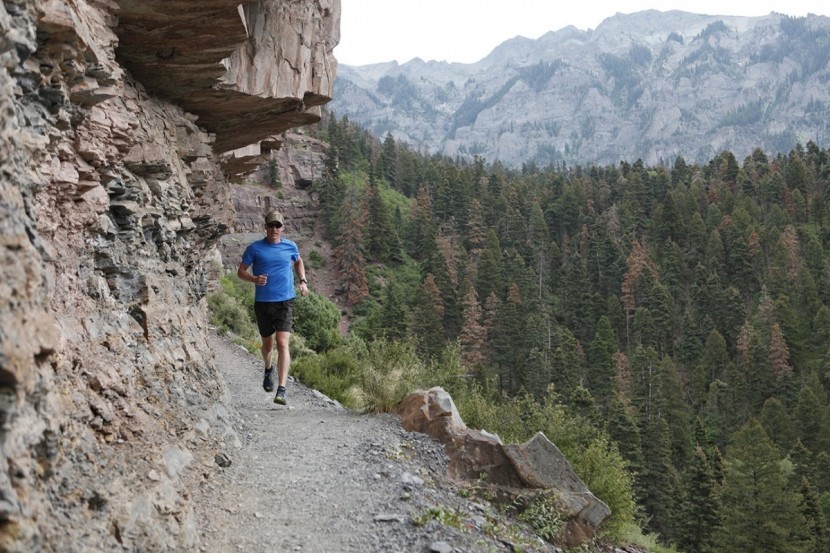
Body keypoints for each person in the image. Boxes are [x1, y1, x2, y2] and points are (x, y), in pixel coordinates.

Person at [237, 210, 308, 405]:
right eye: (271, 225)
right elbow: (240, 272)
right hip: (263, 303)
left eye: (278, 225)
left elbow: (298, 261)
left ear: (282, 228)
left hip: (285, 301)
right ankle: (268, 369)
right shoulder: (254, 248)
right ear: (265, 227)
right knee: (268, 346)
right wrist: (254, 279)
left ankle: (281, 390)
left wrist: (303, 281)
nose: (274, 229)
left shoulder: (290, 246)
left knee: (282, 342)